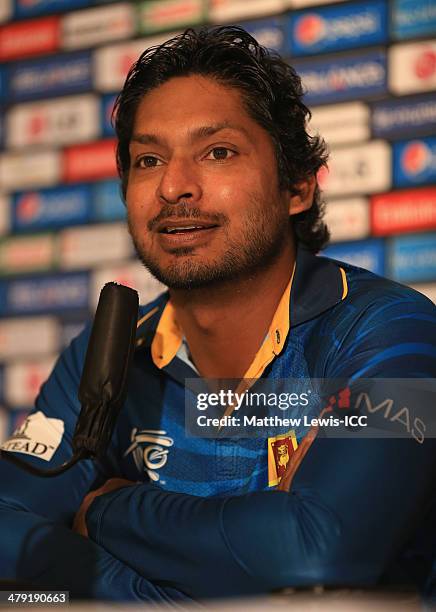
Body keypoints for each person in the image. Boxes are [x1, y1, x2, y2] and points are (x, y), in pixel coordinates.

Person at [0, 26, 435, 604]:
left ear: (297, 187)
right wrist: (155, 597)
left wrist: (105, 508)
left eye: (218, 152)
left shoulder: (392, 332)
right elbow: (7, 530)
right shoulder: (108, 352)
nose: (174, 186)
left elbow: (320, 550)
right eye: (149, 159)